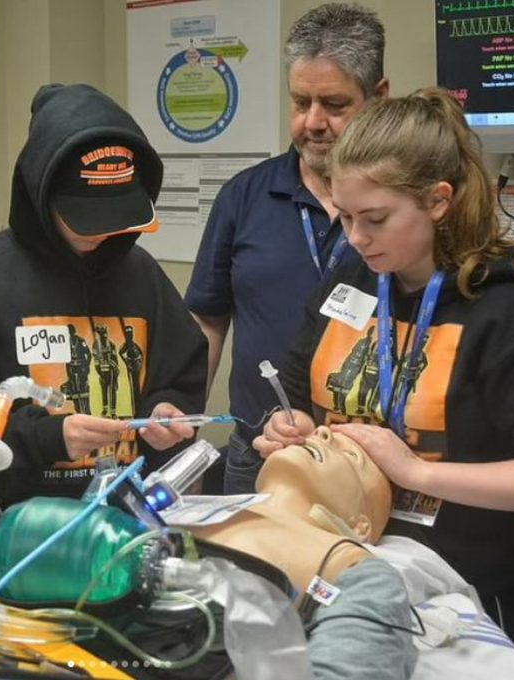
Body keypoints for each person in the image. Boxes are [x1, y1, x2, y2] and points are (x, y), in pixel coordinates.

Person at [254, 88, 514, 652]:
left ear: (438, 201)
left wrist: (417, 474)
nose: (356, 238)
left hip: (463, 599)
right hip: (346, 574)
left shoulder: (511, 316)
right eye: (344, 216)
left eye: (375, 218)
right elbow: (297, 390)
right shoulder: (351, 282)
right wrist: (286, 422)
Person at [0, 83, 207, 527]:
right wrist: (47, 438)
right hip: (16, 535)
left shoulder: (143, 275)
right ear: (39, 193)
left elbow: (178, 378)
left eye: (116, 216)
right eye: (83, 216)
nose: (101, 234)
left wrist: (165, 413)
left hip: (126, 528)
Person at [185, 3, 388, 494]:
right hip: (259, 452)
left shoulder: (401, 210)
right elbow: (209, 319)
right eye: (300, 103)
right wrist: (185, 429)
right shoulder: (244, 195)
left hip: (367, 464)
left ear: (379, 97)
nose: (312, 123)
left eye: (334, 106)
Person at [194, 426, 417, 680]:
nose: (321, 431)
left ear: (359, 526)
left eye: (353, 456)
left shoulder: (358, 572)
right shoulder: (187, 508)